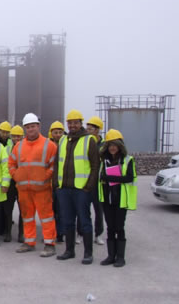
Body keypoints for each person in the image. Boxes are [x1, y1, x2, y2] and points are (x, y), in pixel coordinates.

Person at [53, 110, 100, 264]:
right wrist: (56, 185)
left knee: (84, 221)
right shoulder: (63, 140)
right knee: (67, 221)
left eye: (75, 122)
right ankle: (69, 250)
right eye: (70, 122)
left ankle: (88, 253)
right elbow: (57, 163)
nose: (72, 125)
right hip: (64, 189)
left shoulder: (89, 140)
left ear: (80, 123)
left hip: (81, 190)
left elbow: (95, 165)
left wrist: (89, 186)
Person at [9, 113, 58, 257]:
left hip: (42, 189)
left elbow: (53, 165)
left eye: (33, 126)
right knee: (27, 216)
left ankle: (50, 244)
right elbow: (11, 163)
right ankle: (29, 241)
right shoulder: (18, 146)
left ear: (38, 126)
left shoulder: (49, 145)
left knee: (46, 216)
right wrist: (16, 176)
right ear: (25, 129)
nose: (30, 129)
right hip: (24, 189)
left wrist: (45, 177)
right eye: (28, 127)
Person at [98, 129, 136, 267]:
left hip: (121, 200)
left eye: (115, 144)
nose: (112, 147)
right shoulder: (104, 161)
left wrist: (110, 177)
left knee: (119, 228)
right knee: (110, 228)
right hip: (107, 199)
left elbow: (129, 177)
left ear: (120, 145)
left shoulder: (127, 160)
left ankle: (120, 258)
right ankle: (110, 256)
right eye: (110, 145)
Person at [86, 116, 106, 246]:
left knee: (99, 211)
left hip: (99, 183)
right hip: (86, 182)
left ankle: (98, 234)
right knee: (83, 210)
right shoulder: (84, 142)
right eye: (87, 129)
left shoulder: (105, 145)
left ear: (98, 130)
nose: (88, 131)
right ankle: (81, 233)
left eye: (91, 129)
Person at [49, 121, 65, 243]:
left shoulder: (67, 144)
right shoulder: (48, 145)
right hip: (49, 183)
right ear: (51, 133)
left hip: (62, 183)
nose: (58, 134)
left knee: (61, 210)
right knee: (50, 210)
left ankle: (60, 233)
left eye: (60, 132)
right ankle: (51, 232)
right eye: (56, 132)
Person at [9, 124, 24, 242]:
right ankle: (7, 232)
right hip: (10, 182)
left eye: (18, 136)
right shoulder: (6, 147)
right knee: (7, 209)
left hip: (22, 182)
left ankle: (21, 234)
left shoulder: (25, 147)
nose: (16, 139)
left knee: (23, 209)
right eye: (14, 136)